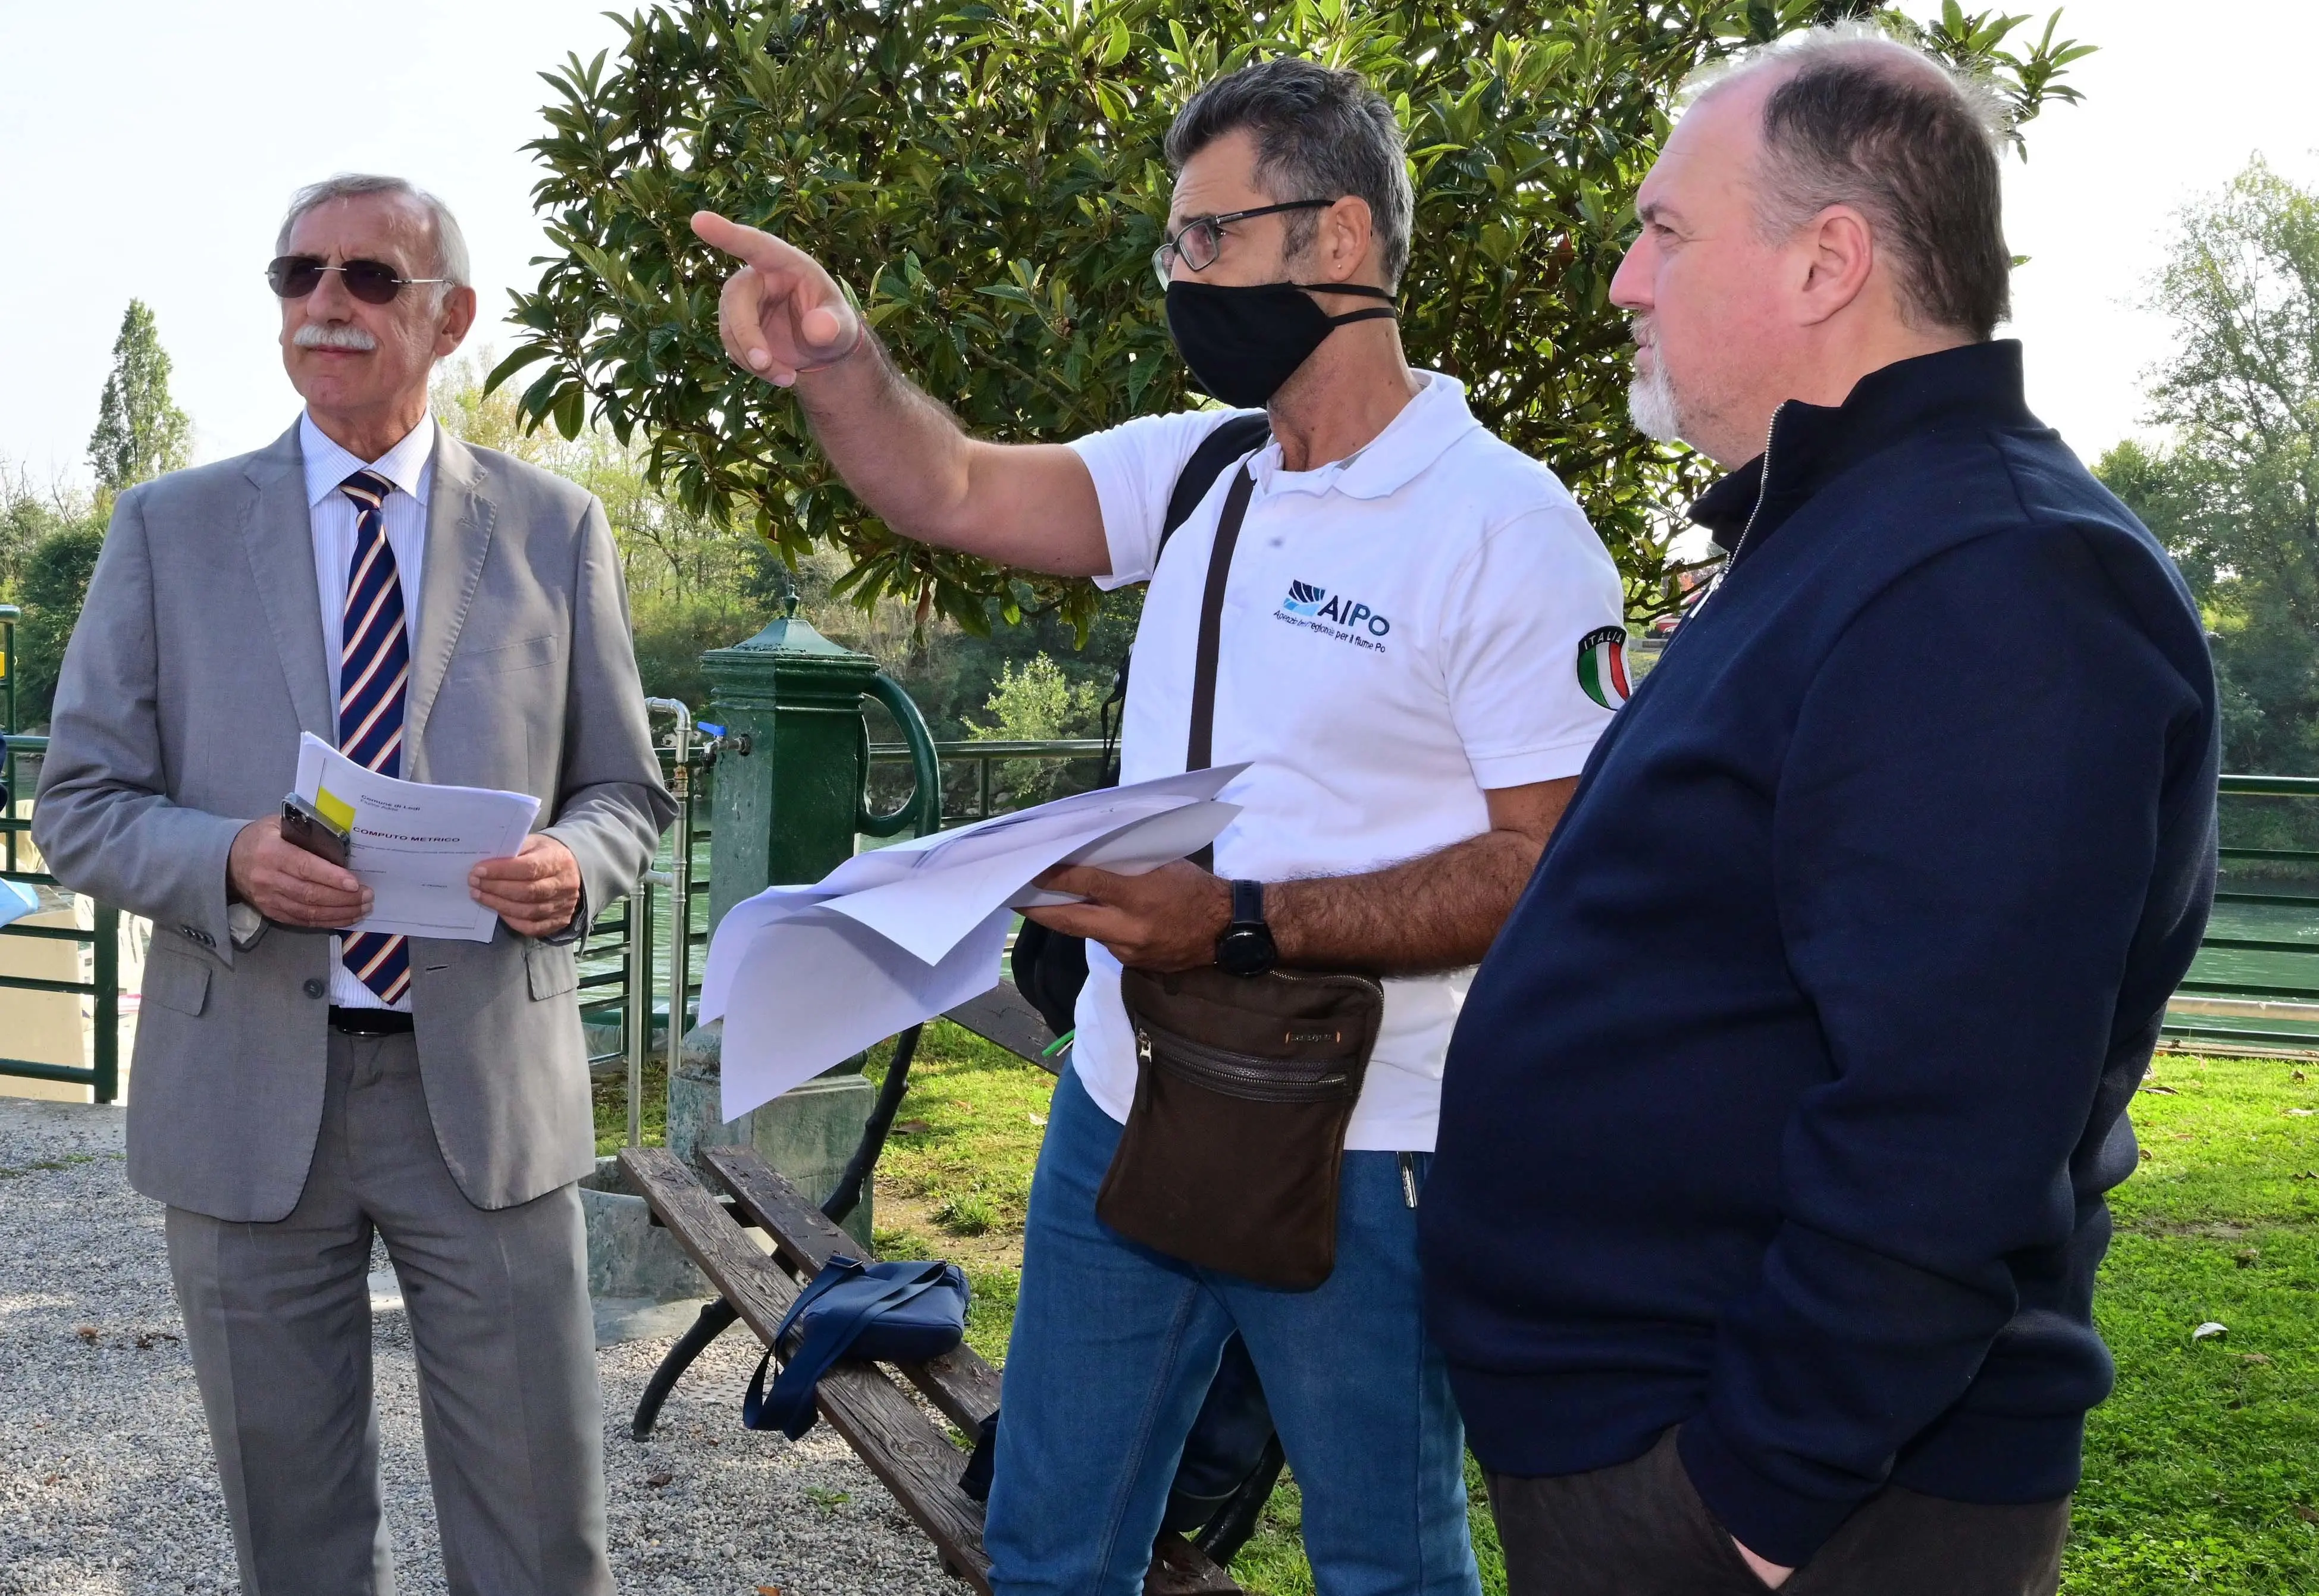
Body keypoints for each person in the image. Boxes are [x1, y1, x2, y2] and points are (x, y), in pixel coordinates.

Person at [694, 55, 1625, 1596]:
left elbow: (1547, 869)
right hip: (1126, 1101)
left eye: (1207, 239)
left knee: (1387, 1561)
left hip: (1369, 1141)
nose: (1178, 277)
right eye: (1172, 245)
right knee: (1053, 1547)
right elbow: (949, 489)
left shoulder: (1506, 528)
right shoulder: (1206, 470)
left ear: (1333, 239)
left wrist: (1248, 920)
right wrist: (838, 356)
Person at [1421, 26, 2218, 1596]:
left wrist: (1755, 1499)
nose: (1624, 284)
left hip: (1799, 1500)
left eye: (1664, 231)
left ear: (1823, 263)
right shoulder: (1851, 539)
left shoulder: (1991, 573)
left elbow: (1955, 1107)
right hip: (1695, 1451)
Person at [34, 174, 674, 1595]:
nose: (326, 303)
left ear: (450, 317)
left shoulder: (556, 529)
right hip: (251, 1093)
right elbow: (76, 807)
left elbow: (626, 793)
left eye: (369, 280)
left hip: (487, 1098)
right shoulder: (168, 528)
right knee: (295, 1539)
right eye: (297, 275)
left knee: (538, 1531)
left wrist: (572, 865)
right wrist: (227, 858)